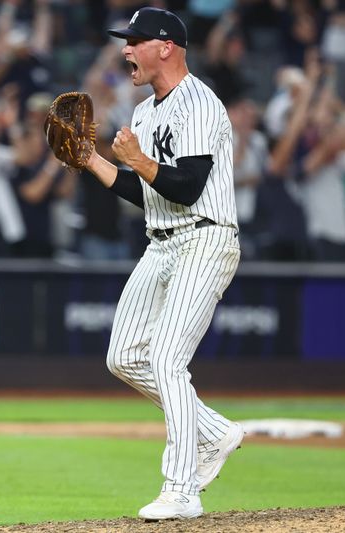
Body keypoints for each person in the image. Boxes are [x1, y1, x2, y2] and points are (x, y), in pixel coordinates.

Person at [79, 7, 243, 521]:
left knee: (168, 359)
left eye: (135, 41)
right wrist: (93, 159)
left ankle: (181, 489)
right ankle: (215, 432)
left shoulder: (200, 103)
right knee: (124, 356)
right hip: (163, 240)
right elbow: (147, 191)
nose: (126, 49)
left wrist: (137, 160)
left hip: (205, 239)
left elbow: (188, 186)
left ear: (165, 46)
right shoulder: (147, 112)